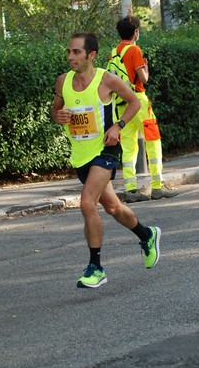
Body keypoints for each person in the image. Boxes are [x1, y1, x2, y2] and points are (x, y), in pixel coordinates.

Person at [51, 32, 161, 289]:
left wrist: (118, 126)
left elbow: (134, 101)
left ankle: (96, 267)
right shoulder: (62, 82)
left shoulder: (106, 80)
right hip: (81, 155)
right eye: (69, 52)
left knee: (87, 202)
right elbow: (55, 109)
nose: (70, 57)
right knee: (113, 208)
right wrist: (58, 116)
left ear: (91, 55)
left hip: (106, 151)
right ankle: (147, 235)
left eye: (76, 52)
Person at [109, 15, 178, 203]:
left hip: (121, 103)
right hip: (138, 100)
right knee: (153, 140)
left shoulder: (114, 52)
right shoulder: (134, 50)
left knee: (128, 146)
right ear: (136, 32)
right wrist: (145, 68)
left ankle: (131, 190)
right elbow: (143, 78)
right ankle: (157, 186)